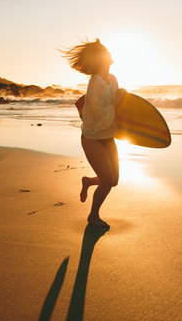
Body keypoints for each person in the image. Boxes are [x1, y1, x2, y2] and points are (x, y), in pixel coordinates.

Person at [62, 39, 126, 228]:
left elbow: (118, 107)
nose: (109, 54)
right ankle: (93, 216)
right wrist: (118, 102)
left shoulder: (112, 79)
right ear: (100, 59)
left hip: (107, 136)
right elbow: (101, 115)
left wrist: (122, 98)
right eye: (105, 52)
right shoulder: (95, 83)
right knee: (107, 181)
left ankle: (89, 181)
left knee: (113, 181)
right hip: (92, 137)